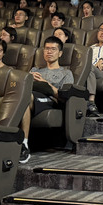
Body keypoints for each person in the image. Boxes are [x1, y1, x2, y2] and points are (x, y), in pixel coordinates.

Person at [19, 36, 74, 164]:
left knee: (26, 97)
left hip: (49, 101)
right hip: (30, 97)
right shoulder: (35, 70)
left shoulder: (66, 73)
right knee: (21, 97)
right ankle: (17, 141)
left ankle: (24, 144)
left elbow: (64, 97)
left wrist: (45, 84)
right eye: (47, 49)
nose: (49, 52)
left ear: (60, 53)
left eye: (53, 49)